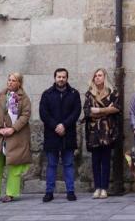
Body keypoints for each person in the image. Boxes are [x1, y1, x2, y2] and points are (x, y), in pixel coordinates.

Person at [0, 72, 32, 203]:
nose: (10, 82)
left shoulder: (24, 98)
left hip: (16, 136)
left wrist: (13, 128)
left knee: (15, 165)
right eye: (9, 80)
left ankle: (10, 193)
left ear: (19, 83)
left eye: (14, 80)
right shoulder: (0, 96)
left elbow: (25, 115)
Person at [40, 68, 82, 203]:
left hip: (68, 133)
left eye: (64, 77)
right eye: (59, 77)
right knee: (51, 164)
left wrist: (64, 125)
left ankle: (70, 191)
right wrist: (55, 126)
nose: (61, 79)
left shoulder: (74, 94)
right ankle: (49, 192)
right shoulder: (47, 94)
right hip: (51, 134)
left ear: (67, 78)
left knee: (69, 164)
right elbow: (43, 113)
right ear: (55, 78)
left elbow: (76, 112)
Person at [83, 67, 120, 199]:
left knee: (105, 160)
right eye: (95, 76)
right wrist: (106, 110)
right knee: (95, 161)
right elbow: (87, 111)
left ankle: (104, 188)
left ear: (105, 77)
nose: (97, 78)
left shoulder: (112, 93)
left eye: (100, 75)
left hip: (107, 131)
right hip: (93, 132)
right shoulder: (89, 94)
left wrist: (98, 111)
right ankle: (97, 187)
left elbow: (116, 108)